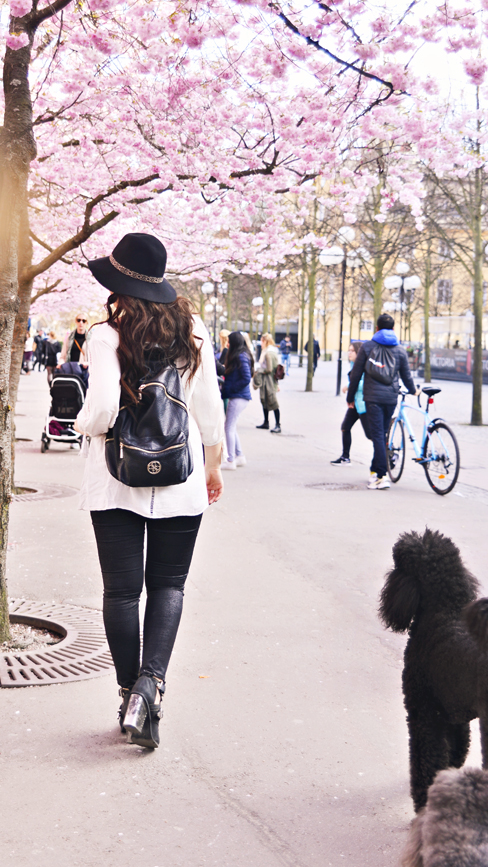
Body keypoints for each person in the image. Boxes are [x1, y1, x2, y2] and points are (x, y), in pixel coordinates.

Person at [73, 231, 225, 750]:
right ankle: (150, 688)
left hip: (116, 482)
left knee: (121, 592)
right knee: (168, 586)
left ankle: (126, 691)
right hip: (181, 478)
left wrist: (78, 426)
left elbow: (98, 412)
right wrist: (214, 465)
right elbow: (210, 408)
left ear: (117, 286)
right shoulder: (194, 330)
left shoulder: (104, 334)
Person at [347, 313, 416, 490]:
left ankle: (382, 476)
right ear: (393, 329)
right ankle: (374, 470)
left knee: (378, 436)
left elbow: (356, 374)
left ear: (376, 328)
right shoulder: (400, 349)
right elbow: (406, 376)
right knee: (382, 435)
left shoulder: (368, 346)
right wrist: (414, 390)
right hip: (391, 397)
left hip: (373, 398)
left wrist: (350, 397)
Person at [220, 331, 253, 469]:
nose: (227, 343)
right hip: (239, 395)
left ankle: (230, 460)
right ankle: (239, 456)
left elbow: (246, 377)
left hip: (238, 396)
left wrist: (232, 389)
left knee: (228, 427)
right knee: (231, 427)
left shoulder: (240, 356)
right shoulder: (242, 355)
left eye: (229, 341)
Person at [330, 343, 365, 466]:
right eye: (349, 350)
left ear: (359, 353)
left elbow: (365, 383)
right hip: (355, 403)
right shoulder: (353, 365)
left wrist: (349, 386)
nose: (349, 353)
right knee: (345, 426)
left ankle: (388, 456)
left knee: (373, 435)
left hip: (364, 404)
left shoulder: (365, 365)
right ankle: (345, 457)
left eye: (352, 351)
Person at [253, 332, 282, 433]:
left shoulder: (268, 353)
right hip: (271, 380)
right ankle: (266, 422)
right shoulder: (272, 351)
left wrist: (259, 371)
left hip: (268, 381)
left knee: (272, 401)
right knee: (265, 400)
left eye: (261, 341)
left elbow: (269, 369)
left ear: (265, 341)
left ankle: (277, 424)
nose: (261, 343)